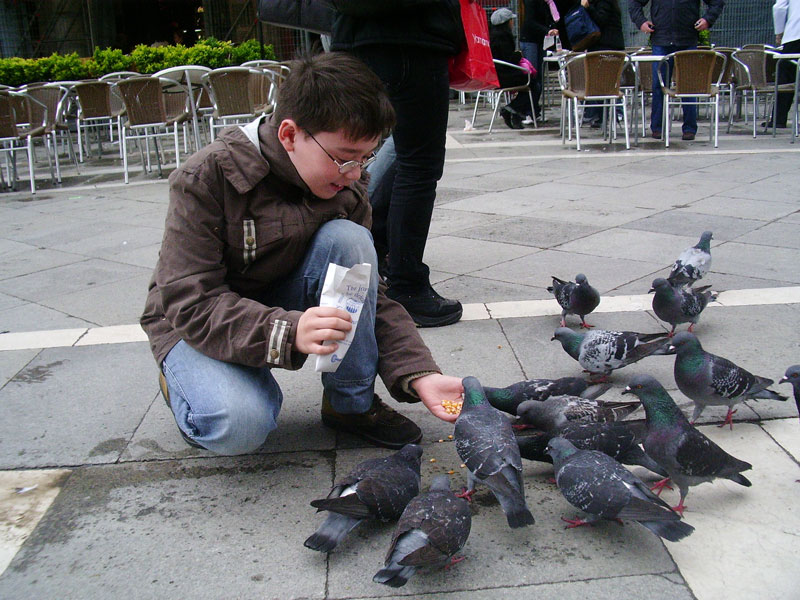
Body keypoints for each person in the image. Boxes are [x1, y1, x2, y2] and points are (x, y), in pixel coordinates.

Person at [140, 53, 464, 455]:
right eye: (345, 158)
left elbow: (370, 297)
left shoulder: (347, 185)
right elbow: (190, 301)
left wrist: (419, 374)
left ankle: (350, 405)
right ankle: (183, 382)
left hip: (282, 303)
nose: (355, 173)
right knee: (239, 426)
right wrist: (289, 330)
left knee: (350, 241)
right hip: (192, 320)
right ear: (290, 135)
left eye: (366, 158)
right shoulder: (206, 176)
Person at [330, 1, 465, 328]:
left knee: (348, 156)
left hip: (353, 41)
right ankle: (406, 284)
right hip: (412, 37)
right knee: (419, 163)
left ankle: (364, 256)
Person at [629, 0, 725, 141]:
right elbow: (634, 3)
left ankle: (689, 128)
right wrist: (641, 21)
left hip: (686, 39)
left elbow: (717, 2)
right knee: (659, 85)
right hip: (662, 39)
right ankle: (657, 127)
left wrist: (708, 19)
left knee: (688, 86)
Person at [580, 0, 625, 127]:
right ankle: (600, 115)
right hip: (607, 46)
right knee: (605, 83)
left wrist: (588, 8)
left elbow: (601, 19)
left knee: (602, 82)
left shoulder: (604, 4)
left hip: (606, 47)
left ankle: (598, 114)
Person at [489, 7, 535, 129]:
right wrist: (519, 55)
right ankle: (512, 109)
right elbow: (507, 59)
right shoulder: (503, 37)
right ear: (506, 22)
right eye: (511, 20)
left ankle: (515, 112)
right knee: (533, 83)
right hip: (503, 76)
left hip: (496, 75)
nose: (512, 23)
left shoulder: (492, 35)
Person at [520, 0, 561, 122]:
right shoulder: (531, 2)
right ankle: (527, 110)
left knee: (539, 78)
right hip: (530, 40)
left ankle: (534, 110)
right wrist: (546, 30)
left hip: (540, 40)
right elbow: (530, 22)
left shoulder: (548, 3)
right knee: (532, 76)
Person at [772, 0, 800, 129]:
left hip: (795, 34)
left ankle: (779, 119)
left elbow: (780, 8)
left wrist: (779, 31)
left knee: (785, 75)